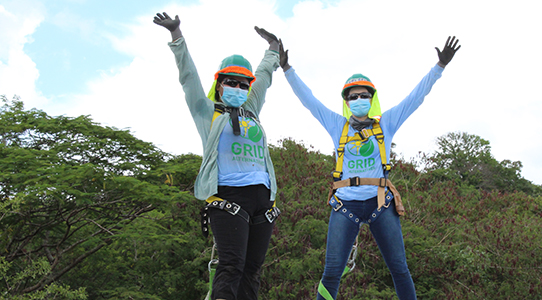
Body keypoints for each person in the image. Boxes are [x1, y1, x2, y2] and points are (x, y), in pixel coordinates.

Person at [279, 36, 461, 299]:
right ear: (347, 101)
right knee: (331, 273)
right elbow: (309, 100)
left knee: (399, 269)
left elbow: (415, 98)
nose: (359, 99)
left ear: (371, 98)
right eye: (353, 97)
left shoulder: (385, 124)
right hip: (345, 205)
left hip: (380, 203)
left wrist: (439, 67)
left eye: (364, 95)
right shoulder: (337, 125)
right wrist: (287, 69)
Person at [154, 12, 281, 300]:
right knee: (231, 265)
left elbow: (263, 75)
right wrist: (176, 36)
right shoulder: (206, 111)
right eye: (231, 82)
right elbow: (188, 78)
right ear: (220, 83)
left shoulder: (251, 109)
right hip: (228, 197)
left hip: (262, 197)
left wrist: (273, 48)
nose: (237, 88)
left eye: (242, 84)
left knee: (252, 270)